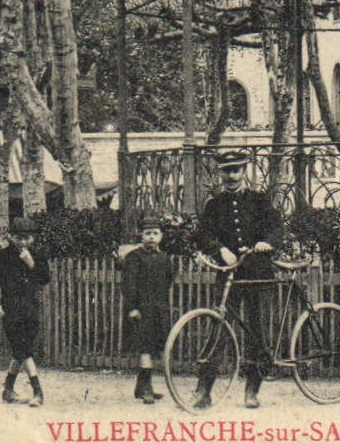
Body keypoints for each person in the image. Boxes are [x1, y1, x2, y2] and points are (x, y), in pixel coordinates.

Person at [191, 148, 282, 409]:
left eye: (236, 170)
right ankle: (204, 390)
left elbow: (276, 227)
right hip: (228, 275)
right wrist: (219, 249)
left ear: (243, 172)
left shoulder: (259, 200)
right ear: (220, 174)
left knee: (256, 331)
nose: (231, 175)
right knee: (219, 329)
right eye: (226, 171)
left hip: (256, 273)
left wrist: (266, 242)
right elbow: (203, 234)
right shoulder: (214, 205)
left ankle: (252, 390)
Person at [0, 216, 51, 406]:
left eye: (28, 238)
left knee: (20, 351)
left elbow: (44, 279)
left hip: (31, 309)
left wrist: (32, 264)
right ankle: (38, 392)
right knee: (24, 349)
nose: (24, 242)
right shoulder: (2, 257)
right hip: (11, 310)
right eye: (19, 238)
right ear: (10, 237)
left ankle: (8, 390)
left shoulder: (37, 256)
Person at [120, 215, 174, 404]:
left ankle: (140, 387)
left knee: (153, 348)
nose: (151, 237)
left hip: (159, 309)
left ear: (161, 236)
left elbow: (168, 281)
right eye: (147, 233)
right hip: (140, 310)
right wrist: (133, 308)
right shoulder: (134, 258)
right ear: (141, 235)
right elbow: (128, 286)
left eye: (155, 233)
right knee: (144, 348)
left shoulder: (164, 258)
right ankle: (147, 388)